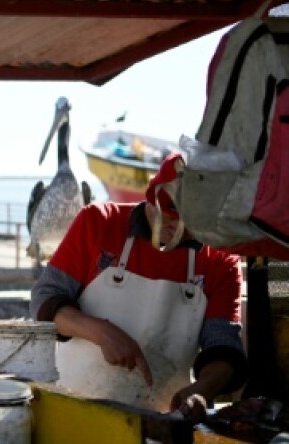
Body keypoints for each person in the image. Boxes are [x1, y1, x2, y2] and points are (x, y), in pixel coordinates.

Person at [29, 154, 246, 421]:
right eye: (167, 218)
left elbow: (223, 347)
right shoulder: (97, 223)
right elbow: (44, 300)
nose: (174, 230)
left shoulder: (220, 261)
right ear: (149, 198)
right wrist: (100, 332)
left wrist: (201, 391)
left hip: (161, 419)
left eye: (187, 225)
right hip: (71, 406)